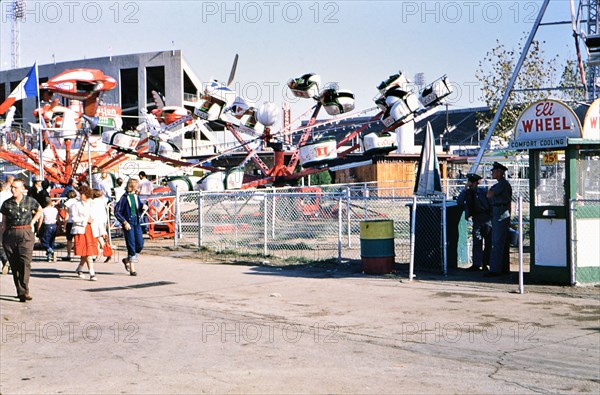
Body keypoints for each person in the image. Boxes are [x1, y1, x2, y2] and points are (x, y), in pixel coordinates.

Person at [0, 178, 43, 302]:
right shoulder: (7, 203)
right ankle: (20, 291)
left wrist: (33, 222)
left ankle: (24, 290)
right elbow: (3, 220)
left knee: (25, 262)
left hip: (25, 232)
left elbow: (40, 210)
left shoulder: (30, 201)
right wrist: (3, 235)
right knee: (14, 264)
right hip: (11, 233)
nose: (13, 189)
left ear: (22, 189)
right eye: (12, 187)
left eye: (16, 187)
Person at [457, 173, 492, 272]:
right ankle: (477, 264)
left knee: (488, 242)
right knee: (477, 241)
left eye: (473, 182)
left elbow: (490, 203)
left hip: (487, 218)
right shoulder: (467, 193)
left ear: (477, 183)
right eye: (470, 182)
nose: (471, 184)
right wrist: (464, 189)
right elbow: (459, 201)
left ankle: (486, 263)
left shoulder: (484, 191)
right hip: (476, 219)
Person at [486, 162, 513, 277]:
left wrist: (491, 189)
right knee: (501, 242)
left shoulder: (502, 184)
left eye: (494, 171)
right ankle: (502, 268)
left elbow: (489, 195)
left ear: (500, 172)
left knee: (497, 242)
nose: (492, 173)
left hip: (500, 213)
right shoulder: (502, 184)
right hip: (500, 212)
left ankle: (495, 269)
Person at [115, 178, 145, 276]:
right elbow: (117, 211)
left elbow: (138, 207)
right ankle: (132, 268)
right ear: (132, 186)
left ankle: (127, 260)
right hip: (129, 222)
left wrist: (143, 207)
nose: (138, 187)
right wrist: (124, 222)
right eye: (137, 185)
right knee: (131, 244)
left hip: (136, 221)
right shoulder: (124, 197)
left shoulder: (136, 196)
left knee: (140, 244)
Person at [71, 186, 99, 281]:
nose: (80, 195)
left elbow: (98, 216)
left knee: (88, 251)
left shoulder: (93, 203)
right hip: (81, 229)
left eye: (82, 193)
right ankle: (92, 272)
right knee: (86, 251)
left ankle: (79, 269)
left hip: (92, 229)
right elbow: (74, 218)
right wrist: (85, 220)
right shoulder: (76, 205)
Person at [90, 189, 110, 262]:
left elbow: (91, 212)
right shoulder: (103, 201)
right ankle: (104, 252)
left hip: (95, 220)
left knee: (95, 237)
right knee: (99, 237)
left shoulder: (92, 202)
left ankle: (95, 254)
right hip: (102, 220)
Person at [60, 190, 78, 261]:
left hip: (70, 221)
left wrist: (64, 225)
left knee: (69, 239)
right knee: (77, 239)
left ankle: (69, 254)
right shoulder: (77, 202)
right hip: (77, 221)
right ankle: (80, 253)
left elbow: (66, 215)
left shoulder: (67, 203)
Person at [39, 197, 58, 262]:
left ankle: (50, 251)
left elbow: (41, 219)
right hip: (54, 225)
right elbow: (57, 218)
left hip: (46, 225)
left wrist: (38, 227)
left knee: (44, 241)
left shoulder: (43, 210)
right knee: (51, 241)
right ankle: (49, 256)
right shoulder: (55, 210)